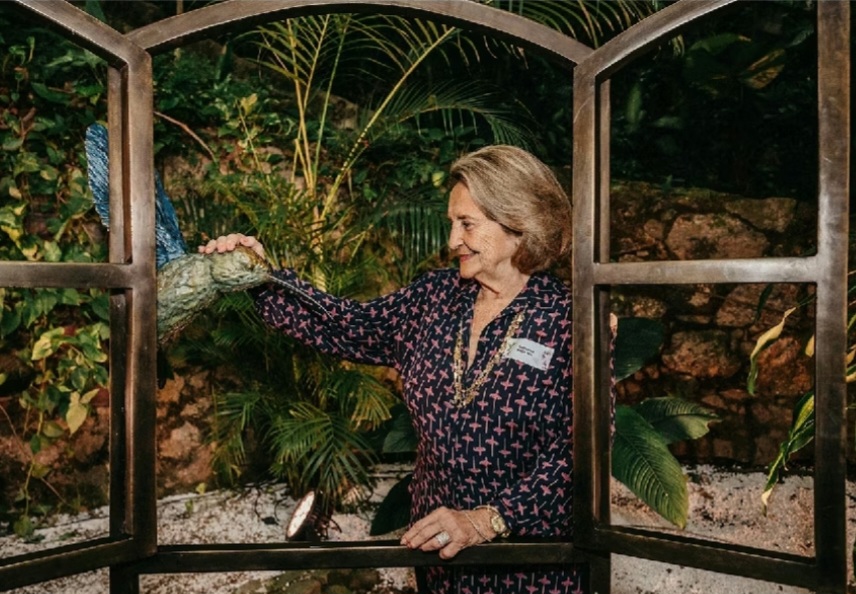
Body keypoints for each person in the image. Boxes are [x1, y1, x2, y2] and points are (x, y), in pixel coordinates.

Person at [199, 145, 582, 593]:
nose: (452, 240)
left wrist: (489, 520)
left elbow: (580, 456)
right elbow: (343, 325)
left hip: (529, 560)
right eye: (451, 223)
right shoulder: (435, 298)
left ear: (517, 225)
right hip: (438, 553)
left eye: (467, 224)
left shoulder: (568, 321)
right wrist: (259, 275)